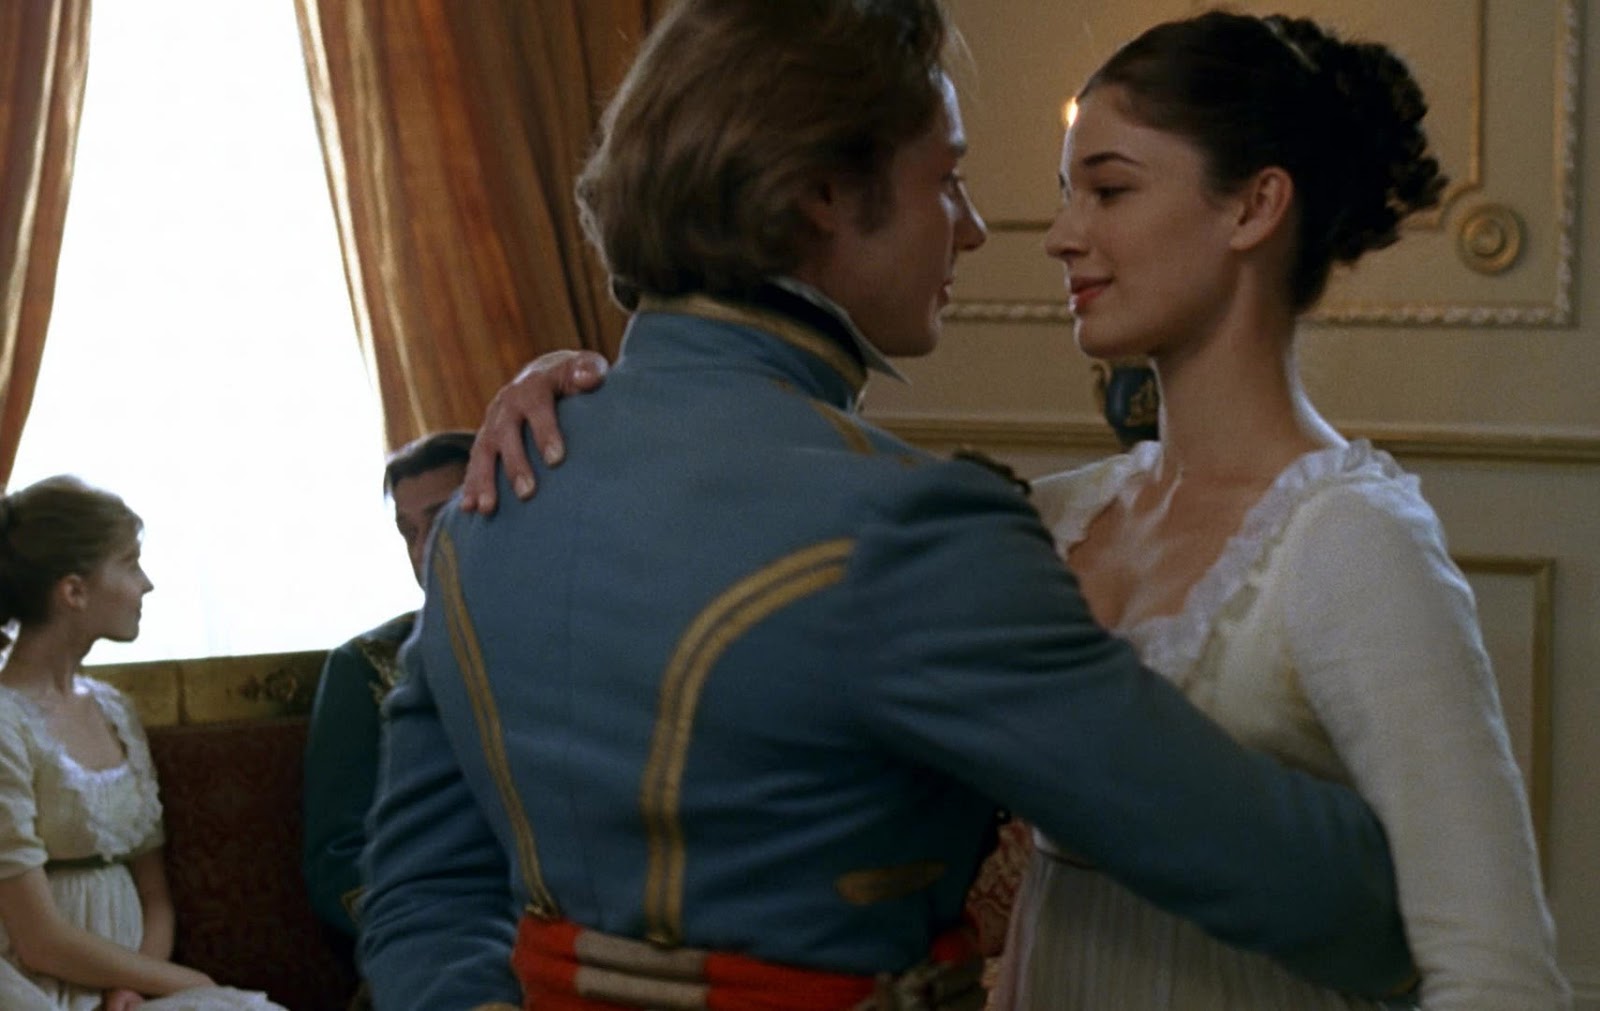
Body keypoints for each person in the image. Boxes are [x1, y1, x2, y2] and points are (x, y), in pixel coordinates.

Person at [479, 10, 1571, 1008]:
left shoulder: (1352, 541)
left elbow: (1493, 964)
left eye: (1109, 189)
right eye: (1064, 192)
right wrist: (586, 394)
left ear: (1253, 205)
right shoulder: (1047, 519)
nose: (1056, 234)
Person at [0, 475, 285, 1011]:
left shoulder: (114, 711)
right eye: (130, 564)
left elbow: (154, 894)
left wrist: (134, 986)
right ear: (74, 591)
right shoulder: (4, 724)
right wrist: (191, 982)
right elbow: (38, 939)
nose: (147, 584)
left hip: (131, 984)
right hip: (32, 983)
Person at [301, 429, 475, 953]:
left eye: (443, 521)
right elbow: (339, 860)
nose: (423, 550)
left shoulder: (577, 644)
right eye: (408, 531)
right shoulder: (366, 666)